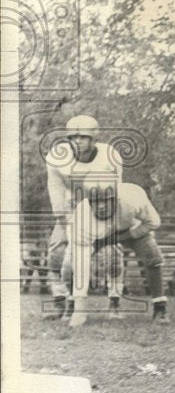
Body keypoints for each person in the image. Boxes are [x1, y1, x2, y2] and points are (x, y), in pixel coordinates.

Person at [44, 115, 122, 319]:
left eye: (83, 136)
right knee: (57, 252)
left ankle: (114, 301)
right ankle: (62, 302)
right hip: (71, 209)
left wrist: (110, 221)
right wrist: (63, 219)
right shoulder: (57, 158)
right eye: (73, 136)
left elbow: (116, 191)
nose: (77, 141)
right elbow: (55, 190)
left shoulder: (110, 156)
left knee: (113, 252)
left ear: (94, 138)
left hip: (101, 211)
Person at [63, 181, 169, 327]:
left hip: (130, 227)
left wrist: (125, 237)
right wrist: (80, 310)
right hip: (97, 236)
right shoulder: (82, 219)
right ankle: (73, 303)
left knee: (153, 257)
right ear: (88, 203)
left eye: (106, 201)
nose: (101, 206)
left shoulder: (132, 199)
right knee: (70, 266)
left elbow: (154, 222)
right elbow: (81, 264)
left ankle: (160, 307)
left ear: (116, 200)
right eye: (96, 202)